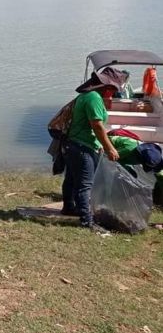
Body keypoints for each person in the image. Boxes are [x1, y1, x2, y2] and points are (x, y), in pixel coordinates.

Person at [61, 68, 126, 230]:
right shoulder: (94, 98)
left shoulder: (86, 95)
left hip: (73, 144)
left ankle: (69, 207)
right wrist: (109, 148)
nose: (114, 93)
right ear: (107, 87)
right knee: (85, 184)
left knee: (71, 179)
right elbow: (97, 125)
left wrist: (100, 145)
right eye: (113, 89)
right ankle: (87, 221)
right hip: (82, 146)